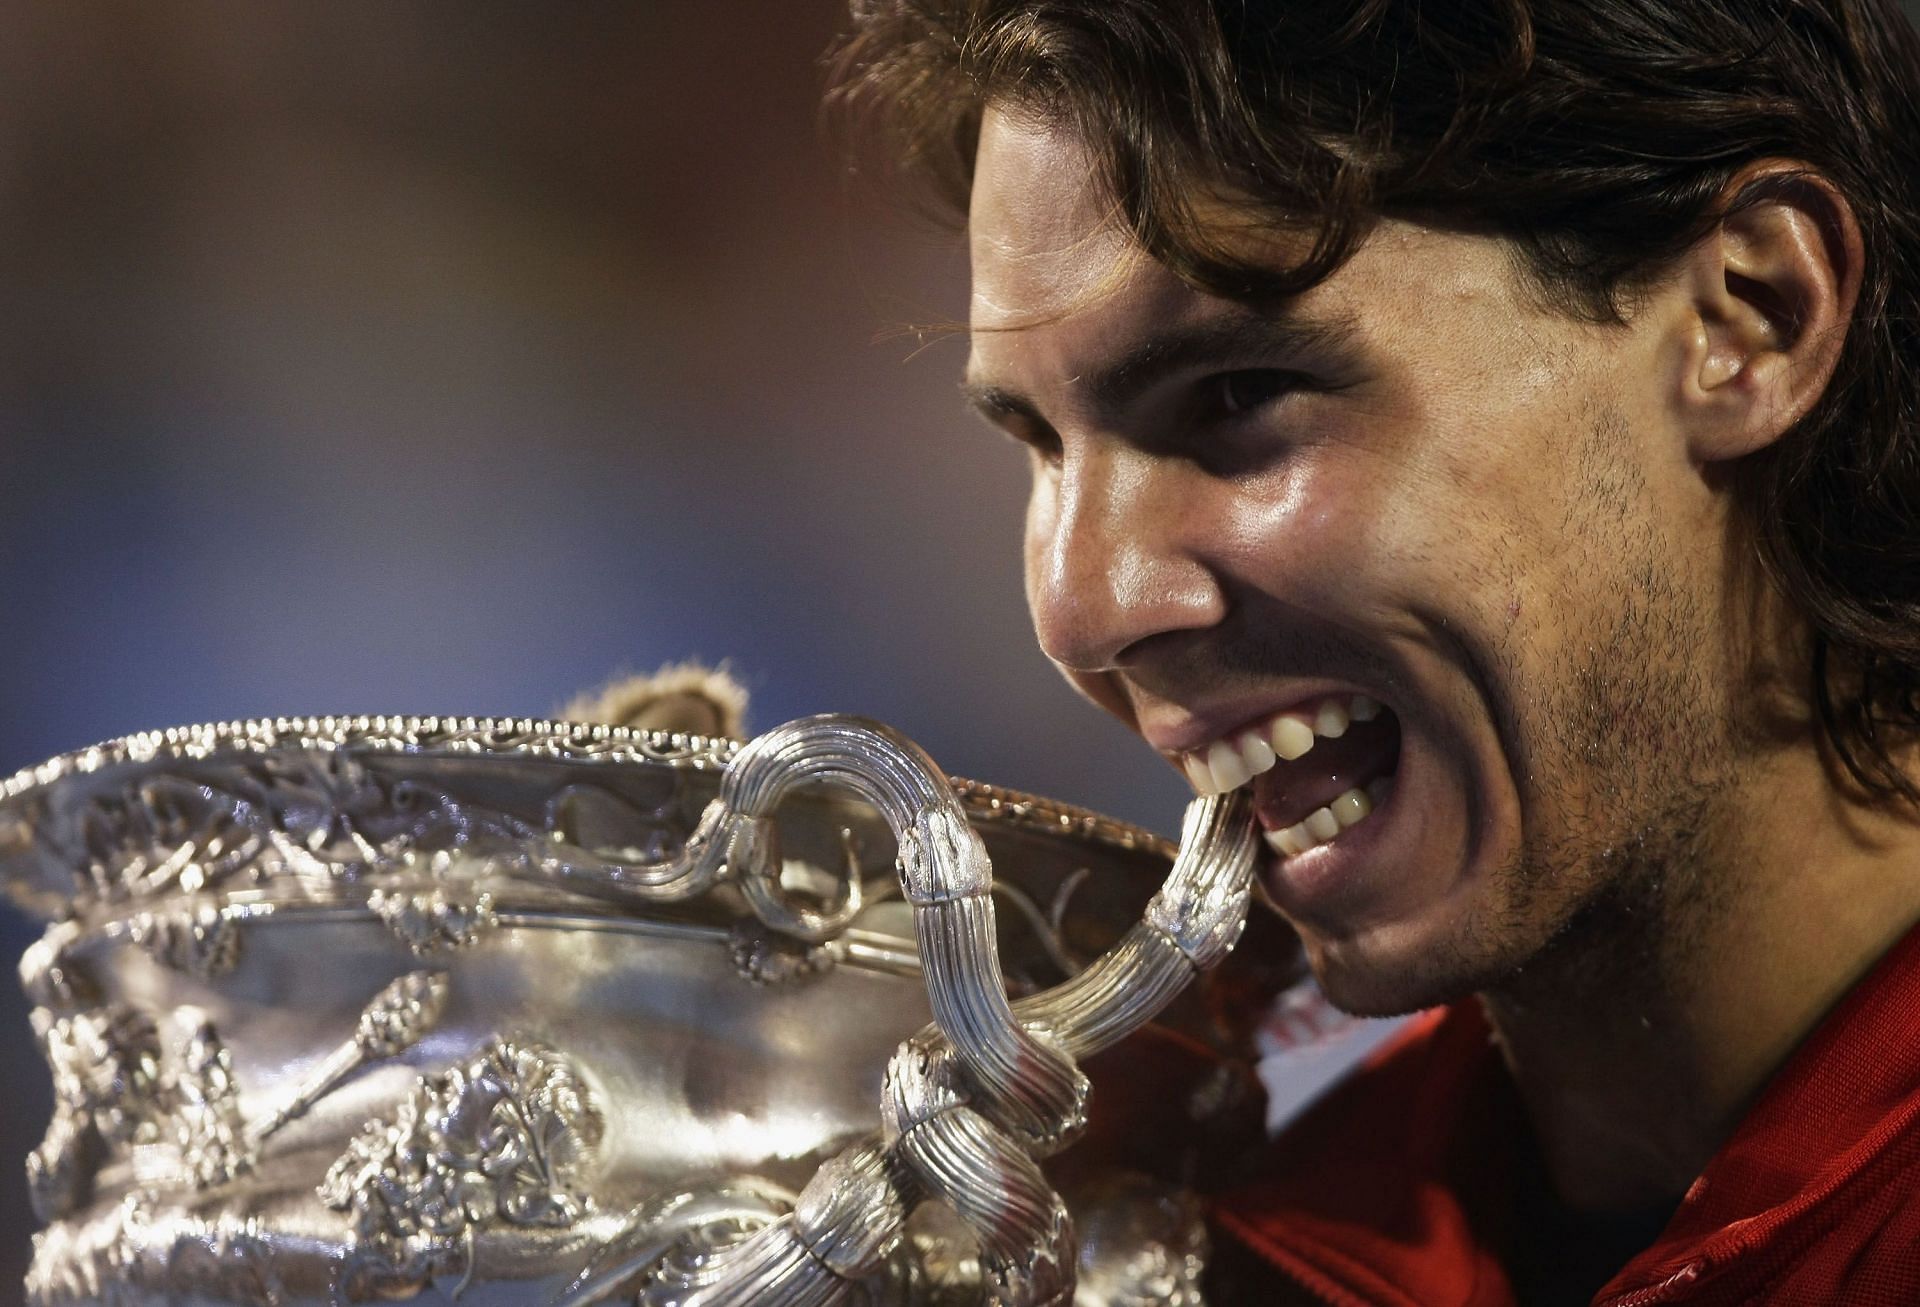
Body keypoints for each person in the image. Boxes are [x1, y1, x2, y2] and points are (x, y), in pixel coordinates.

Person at [829, 1, 1920, 1302]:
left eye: (1236, 394)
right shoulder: (1198, 1220)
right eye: (1042, 446)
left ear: (1753, 318)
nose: (1081, 610)